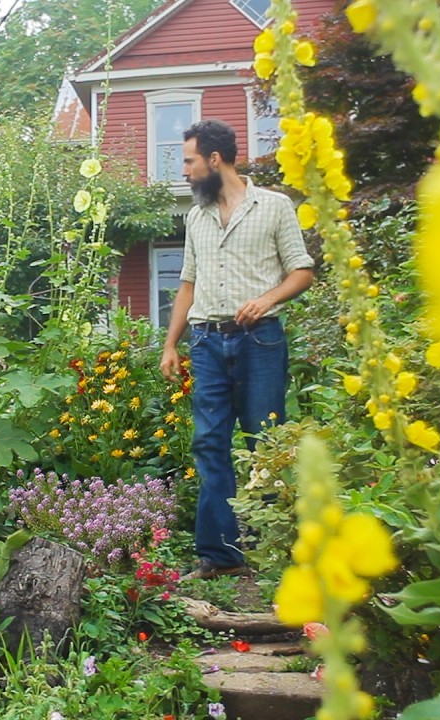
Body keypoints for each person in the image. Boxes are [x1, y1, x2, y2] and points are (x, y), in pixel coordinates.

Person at [158, 119, 314, 580]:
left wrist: (266, 299)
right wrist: (171, 343)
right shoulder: (196, 216)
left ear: (214, 159)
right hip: (206, 341)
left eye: (189, 161)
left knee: (266, 443)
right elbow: (188, 283)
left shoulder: (274, 207)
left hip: (259, 340)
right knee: (209, 442)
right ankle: (220, 555)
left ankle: (271, 553)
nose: (184, 171)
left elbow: (302, 271)